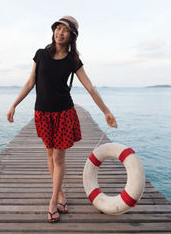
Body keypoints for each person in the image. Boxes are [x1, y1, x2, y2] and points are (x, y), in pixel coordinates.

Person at [7, 16, 117, 223]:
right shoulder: (40, 54)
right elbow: (31, 82)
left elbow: (90, 87)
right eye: (58, 28)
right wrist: (14, 104)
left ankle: (52, 201)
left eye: (65, 30)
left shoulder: (72, 60)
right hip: (42, 113)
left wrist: (106, 111)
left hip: (64, 113)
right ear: (53, 31)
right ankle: (60, 194)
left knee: (58, 158)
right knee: (50, 155)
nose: (60, 32)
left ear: (72, 36)